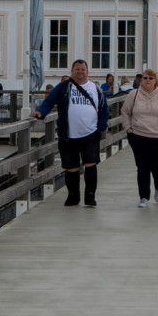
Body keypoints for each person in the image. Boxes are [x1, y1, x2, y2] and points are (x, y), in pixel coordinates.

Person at [34, 60, 106, 208]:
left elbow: (104, 109)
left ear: (87, 71)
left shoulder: (95, 88)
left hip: (90, 133)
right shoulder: (63, 87)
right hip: (68, 134)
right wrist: (40, 113)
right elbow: (49, 101)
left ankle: (90, 197)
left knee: (90, 164)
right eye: (77, 69)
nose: (80, 72)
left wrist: (101, 126)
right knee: (71, 167)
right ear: (72, 71)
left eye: (83, 69)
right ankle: (73, 196)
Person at [121, 68, 158, 208]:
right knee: (142, 167)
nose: (147, 81)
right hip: (139, 135)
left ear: (155, 80)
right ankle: (144, 197)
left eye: (151, 78)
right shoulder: (133, 94)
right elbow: (125, 112)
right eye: (145, 78)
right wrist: (129, 129)